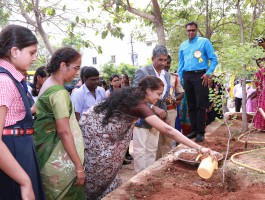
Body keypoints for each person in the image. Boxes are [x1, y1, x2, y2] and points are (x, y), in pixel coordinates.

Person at [79, 76, 218, 200]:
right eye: (158, 94)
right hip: (97, 134)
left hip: (105, 132)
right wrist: (199, 148)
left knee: (111, 169)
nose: (159, 98)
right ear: (148, 90)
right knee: (100, 170)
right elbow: (168, 130)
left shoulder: (135, 96)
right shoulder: (138, 104)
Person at [33, 47, 86, 199]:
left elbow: (35, 110)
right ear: (63, 66)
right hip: (57, 157)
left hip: (45, 152)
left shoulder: (48, 82)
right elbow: (63, 131)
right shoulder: (59, 93)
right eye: (75, 68)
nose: (77, 73)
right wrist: (79, 167)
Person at [0, 24, 45, 200]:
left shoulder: (13, 78)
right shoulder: (3, 81)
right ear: (15, 51)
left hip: (21, 150)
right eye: (32, 53)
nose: (35, 58)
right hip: (11, 154)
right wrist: (24, 181)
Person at [178, 21, 218, 142]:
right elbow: (181, 63)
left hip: (201, 75)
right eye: (188, 30)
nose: (190, 32)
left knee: (201, 104)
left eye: (193, 30)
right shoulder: (183, 45)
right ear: (186, 31)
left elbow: (214, 59)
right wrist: (181, 77)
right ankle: (194, 130)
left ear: (196, 30)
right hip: (187, 76)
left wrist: (208, 73)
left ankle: (201, 132)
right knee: (191, 105)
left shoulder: (204, 42)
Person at [132, 45, 170, 172]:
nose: (163, 63)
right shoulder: (143, 72)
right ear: (152, 58)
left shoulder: (167, 75)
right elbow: (135, 95)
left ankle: (147, 175)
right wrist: (153, 107)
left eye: (165, 60)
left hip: (157, 118)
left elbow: (163, 98)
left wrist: (165, 116)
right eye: (160, 60)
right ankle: (139, 177)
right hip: (142, 116)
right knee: (140, 150)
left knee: (152, 148)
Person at [157, 55, 184, 158]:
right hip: (157, 110)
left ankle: (167, 160)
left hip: (171, 110)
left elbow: (181, 93)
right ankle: (156, 162)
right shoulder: (155, 75)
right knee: (157, 139)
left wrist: (175, 100)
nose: (165, 64)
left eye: (167, 62)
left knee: (168, 138)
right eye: (163, 61)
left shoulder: (174, 77)